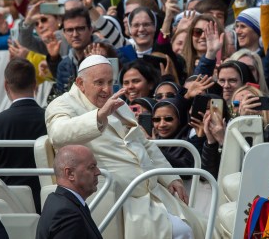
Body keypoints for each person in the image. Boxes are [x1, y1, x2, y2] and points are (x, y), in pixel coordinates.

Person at [45, 55, 205, 238]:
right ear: (80, 83)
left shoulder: (117, 104)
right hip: (122, 197)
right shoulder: (62, 104)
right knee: (181, 232)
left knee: (206, 226)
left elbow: (144, 144)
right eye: (99, 83)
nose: (107, 89)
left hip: (153, 192)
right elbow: (58, 135)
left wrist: (170, 177)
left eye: (110, 82)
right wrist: (99, 116)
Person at [0, 58, 47, 211]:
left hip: (7, 202)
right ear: (35, 84)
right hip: (46, 199)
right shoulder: (51, 119)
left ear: (6, 85)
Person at [36, 145, 103, 239]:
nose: (98, 172)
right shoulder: (68, 214)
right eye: (92, 167)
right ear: (70, 174)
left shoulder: (60, 202)